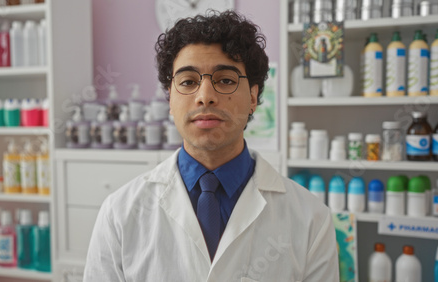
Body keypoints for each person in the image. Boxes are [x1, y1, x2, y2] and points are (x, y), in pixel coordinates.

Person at [83, 10, 339, 282]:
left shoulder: (311, 219)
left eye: (226, 81)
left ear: (253, 97)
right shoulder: (119, 213)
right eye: (188, 82)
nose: (205, 97)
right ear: (170, 99)